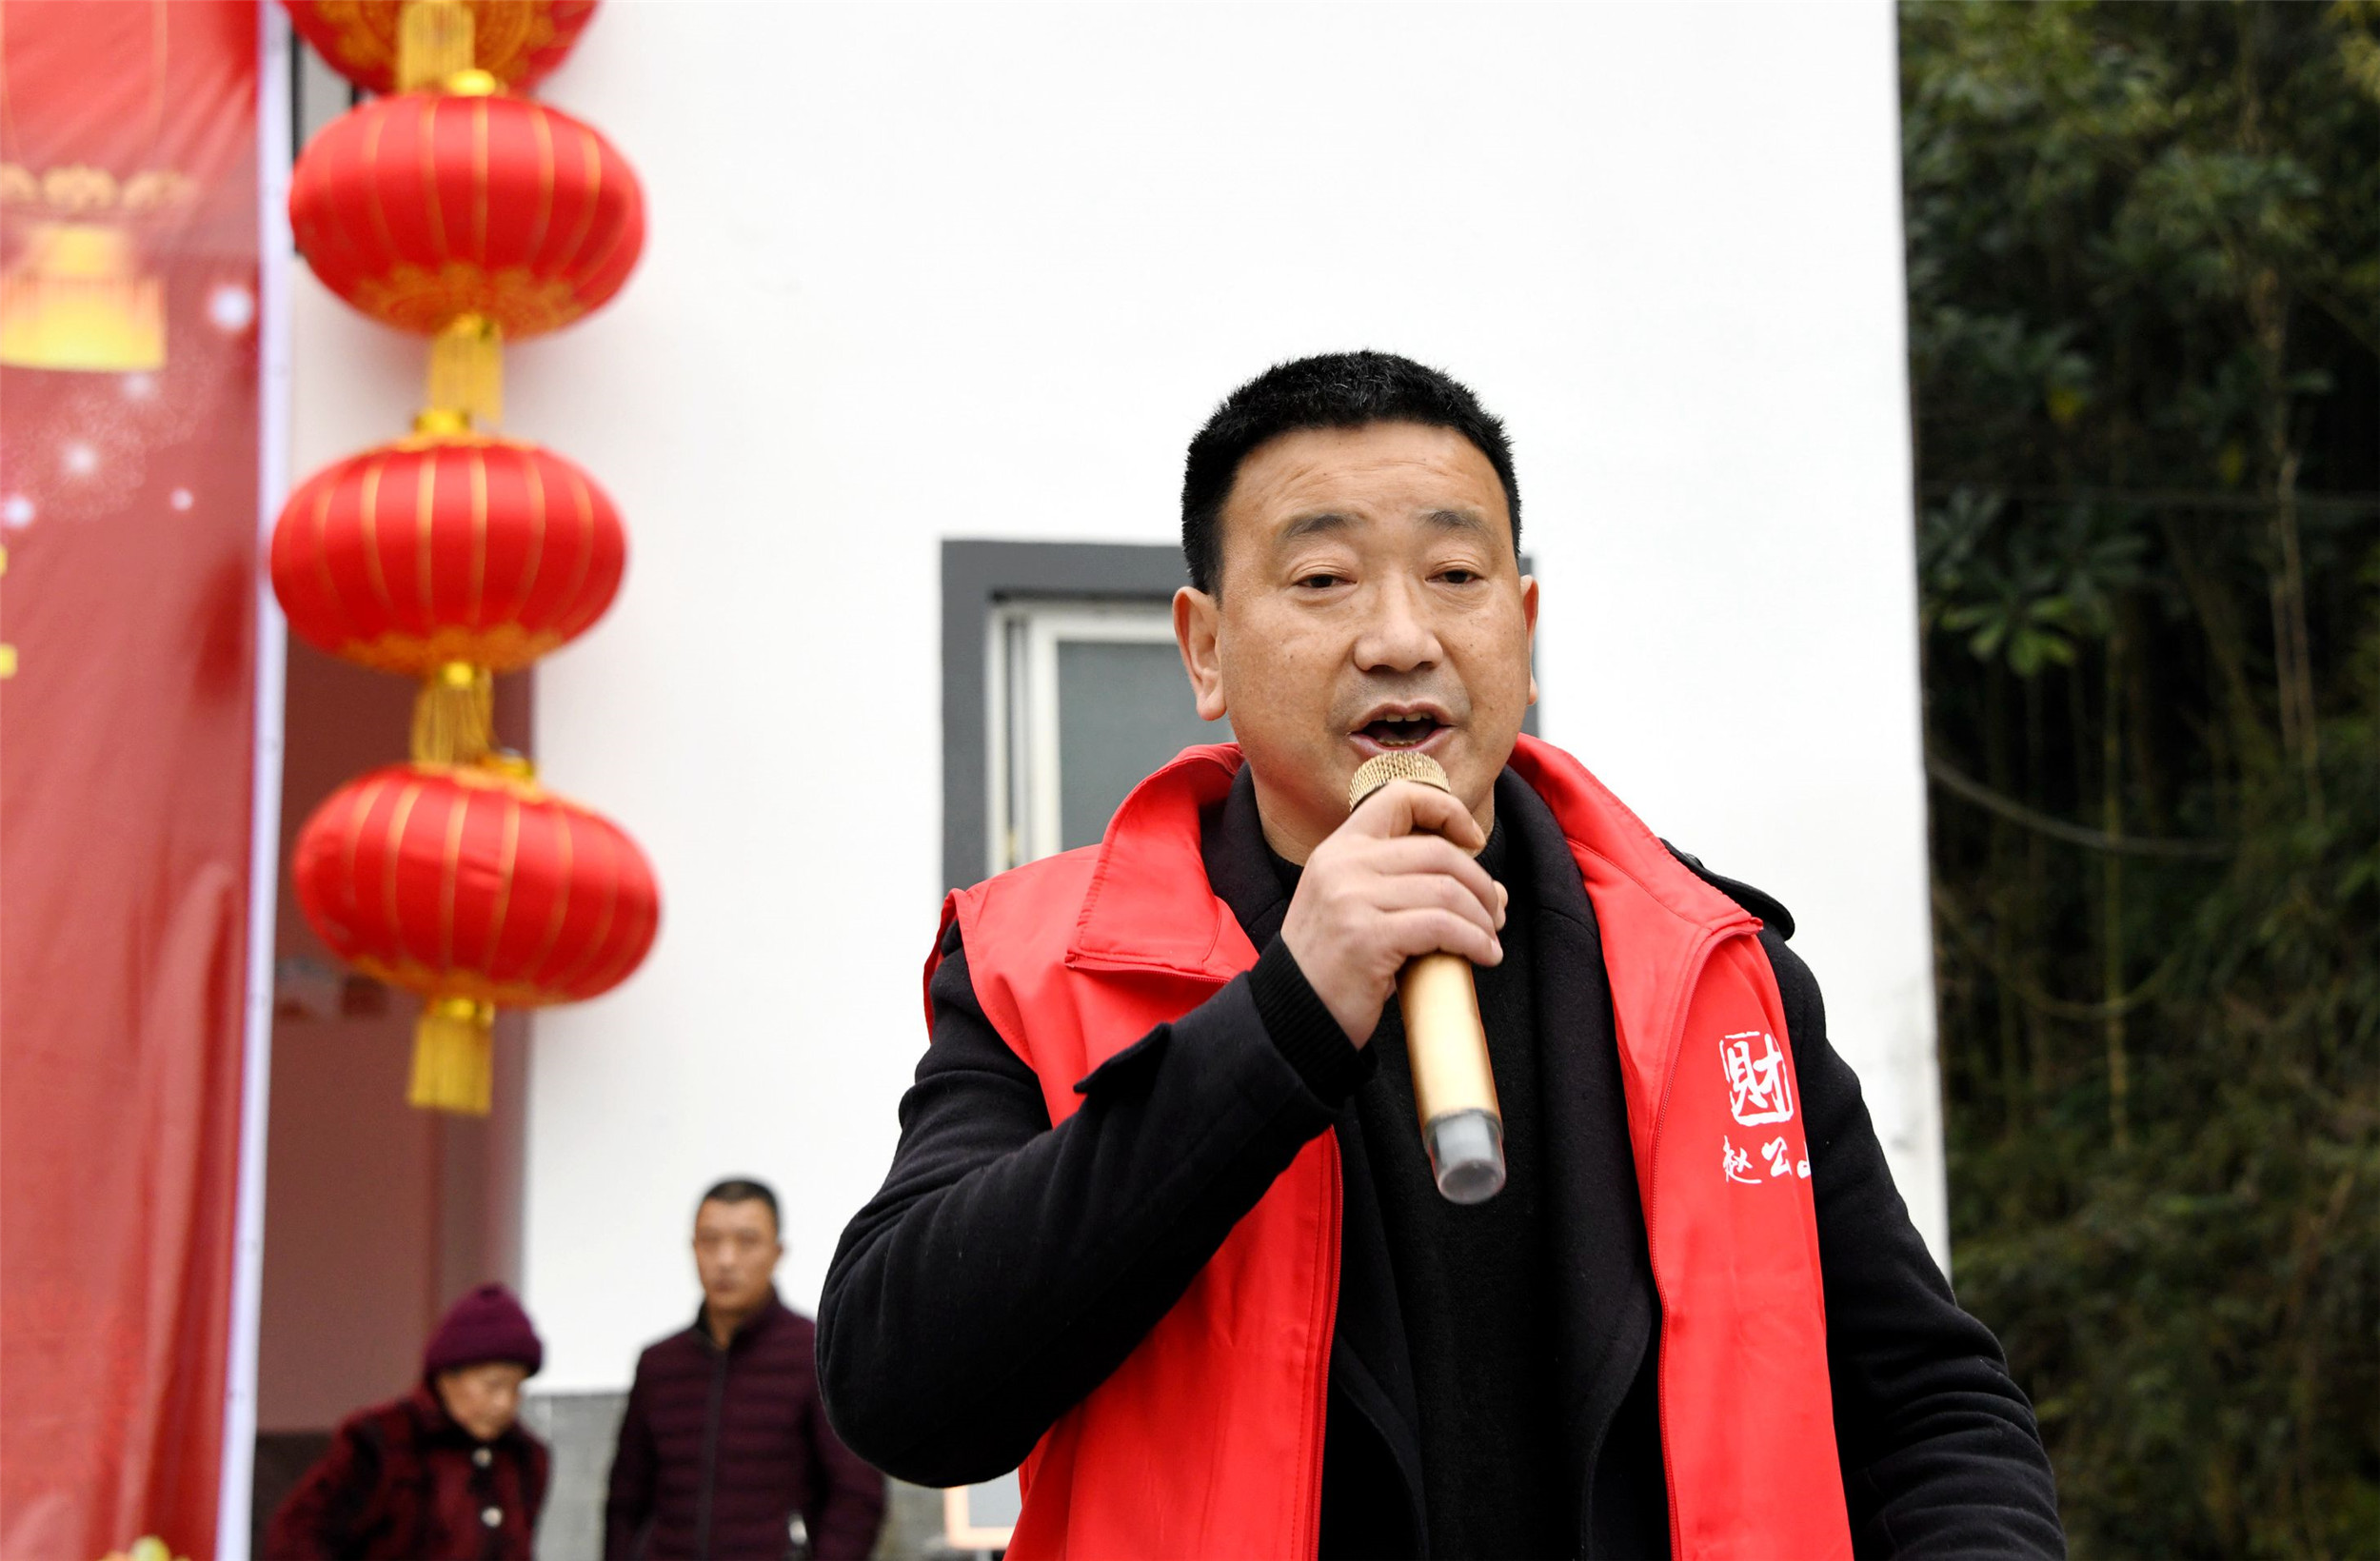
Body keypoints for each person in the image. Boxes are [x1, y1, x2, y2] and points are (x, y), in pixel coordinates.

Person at [816, 351, 2068, 1558]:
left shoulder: (1712, 968)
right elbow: (901, 1390)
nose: (1401, 636)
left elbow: (1929, 1410)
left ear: (1522, 626)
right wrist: (1282, 1019)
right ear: (1204, 649)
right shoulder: (1044, 965)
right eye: (1324, 579)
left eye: (1456, 573)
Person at [605, 1178, 884, 1561]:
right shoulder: (658, 1365)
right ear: (693, 1248)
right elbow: (625, 1499)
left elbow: (856, 1495)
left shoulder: (815, 1352)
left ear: (777, 1252)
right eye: (710, 1241)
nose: (726, 1260)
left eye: (747, 1241)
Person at [264, 1282, 548, 1560]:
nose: (504, 1403)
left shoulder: (525, 1457)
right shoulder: (381, 1440)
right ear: (448, 1377)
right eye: (492, 1385)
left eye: (516, 1387)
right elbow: (297, 1539)